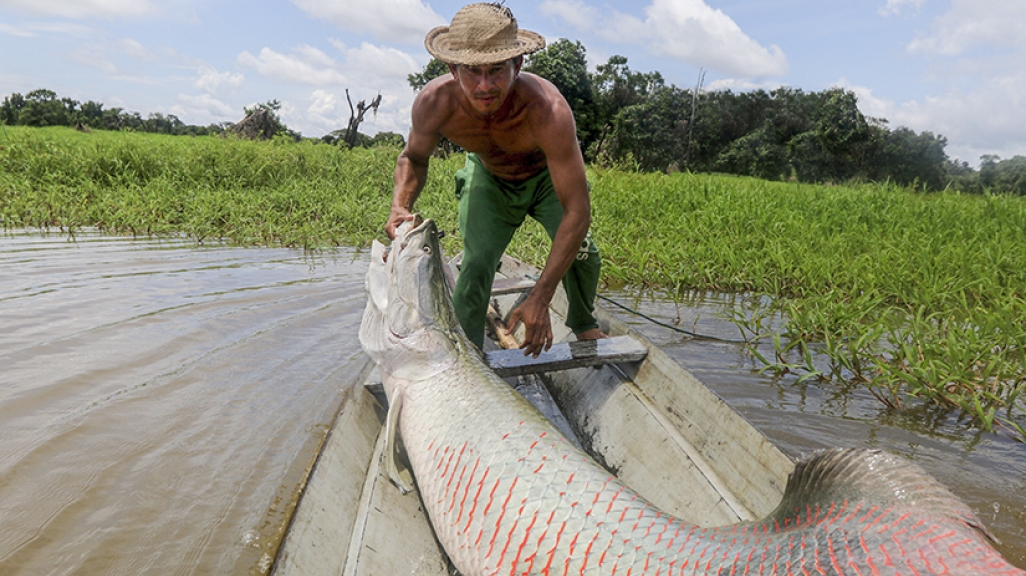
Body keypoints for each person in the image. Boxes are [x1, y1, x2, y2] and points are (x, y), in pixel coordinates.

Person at [386, 2, 606, 356]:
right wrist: (400, 206)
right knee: (475, 266)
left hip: (546, 180)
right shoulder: (435, 102)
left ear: (517, 65)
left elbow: (577, 212)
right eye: (473, 71)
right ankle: (468, 356)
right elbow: (413, 158)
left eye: (497, 70)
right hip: (490, 178)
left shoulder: (548, 109)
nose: (485, 86)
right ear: (453, 68)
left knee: (584, 255)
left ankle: (583, 323)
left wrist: (541, 297)